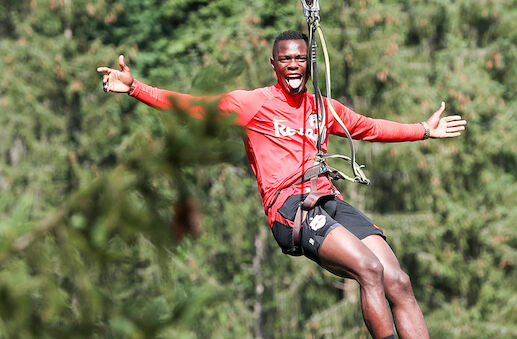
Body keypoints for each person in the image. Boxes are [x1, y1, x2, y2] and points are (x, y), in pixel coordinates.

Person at [97, 30, 466, 339]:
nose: (293, 66)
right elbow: (195, 107)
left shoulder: (322, 106)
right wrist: (136, 89)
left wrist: (423, 131)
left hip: (328, 200)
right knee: (369, 269)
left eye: (301, 59)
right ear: (274, 65)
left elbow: (367, 127)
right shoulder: (253, 104)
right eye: (286, 60)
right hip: (290, 210)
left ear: (310, 64)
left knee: (398, 280)